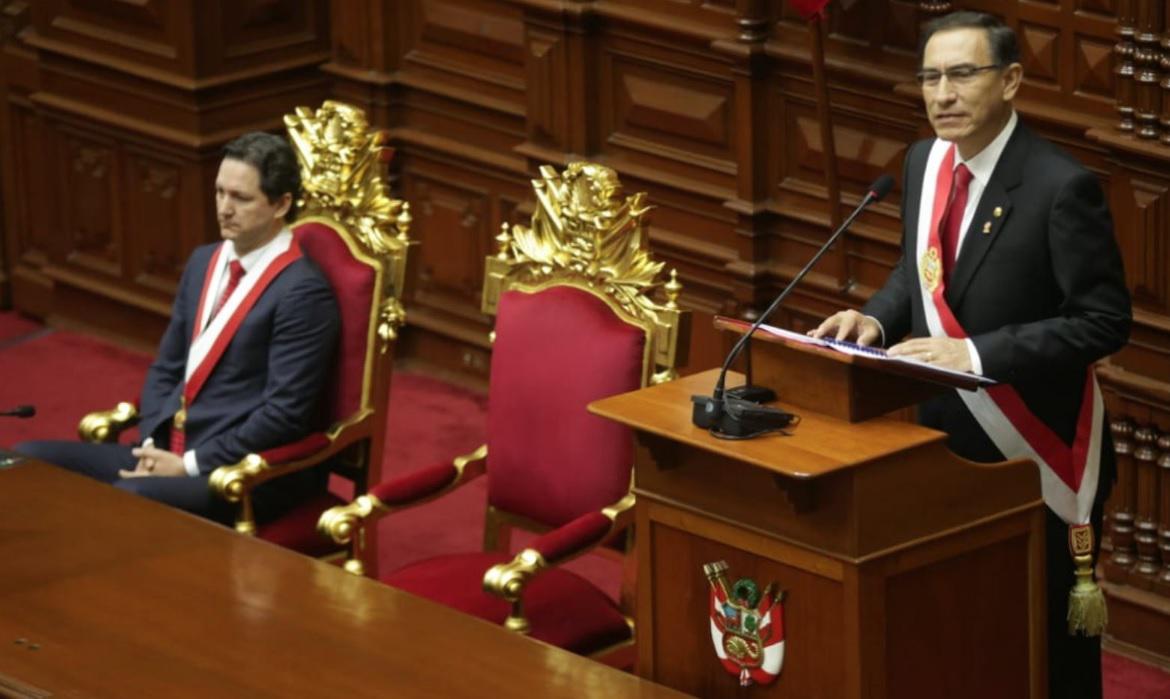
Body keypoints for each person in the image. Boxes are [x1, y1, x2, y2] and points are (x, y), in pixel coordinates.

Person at [811, 11, 1131, 699]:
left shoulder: (1059, 187)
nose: (941, 94)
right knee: (959, 629)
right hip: (938, 443)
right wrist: (873, 316)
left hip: (1035, 451)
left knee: (1049, 650)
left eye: (962, 74)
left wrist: (977, 351)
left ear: (1011, 80)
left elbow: (1104, 322)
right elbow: (919, 272)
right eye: (930, 76)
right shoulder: (924, 161)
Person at [17, 132, 339, 524]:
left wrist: (187, 464)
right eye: (219, 192)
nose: (224, 208)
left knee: (127, 499)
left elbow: (283, 414)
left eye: (241, 198)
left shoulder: (302, 292)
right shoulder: (204, 262)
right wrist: (153, 443)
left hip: (239, 472)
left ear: (281, 204)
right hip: (168, 448)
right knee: (26, 461)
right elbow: (166, 368)